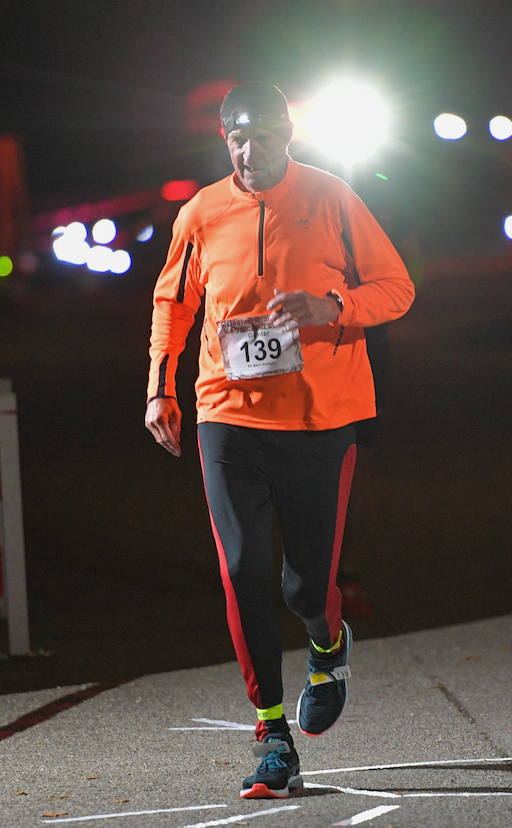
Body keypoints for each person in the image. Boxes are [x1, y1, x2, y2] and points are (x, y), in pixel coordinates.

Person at [145, 82, 415, 799]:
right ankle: (272, 737)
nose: (248, 149)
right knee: (239, 570)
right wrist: (157, 386)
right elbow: (173, 302)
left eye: (262, 136)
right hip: (226, 415)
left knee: (303, 584)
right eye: (236, 137)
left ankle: (327, 647)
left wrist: (333, 307)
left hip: (320, 422)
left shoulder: (332, 197)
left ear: (286, 137)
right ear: (224, 140)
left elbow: (397, 288)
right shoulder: (201, 211)